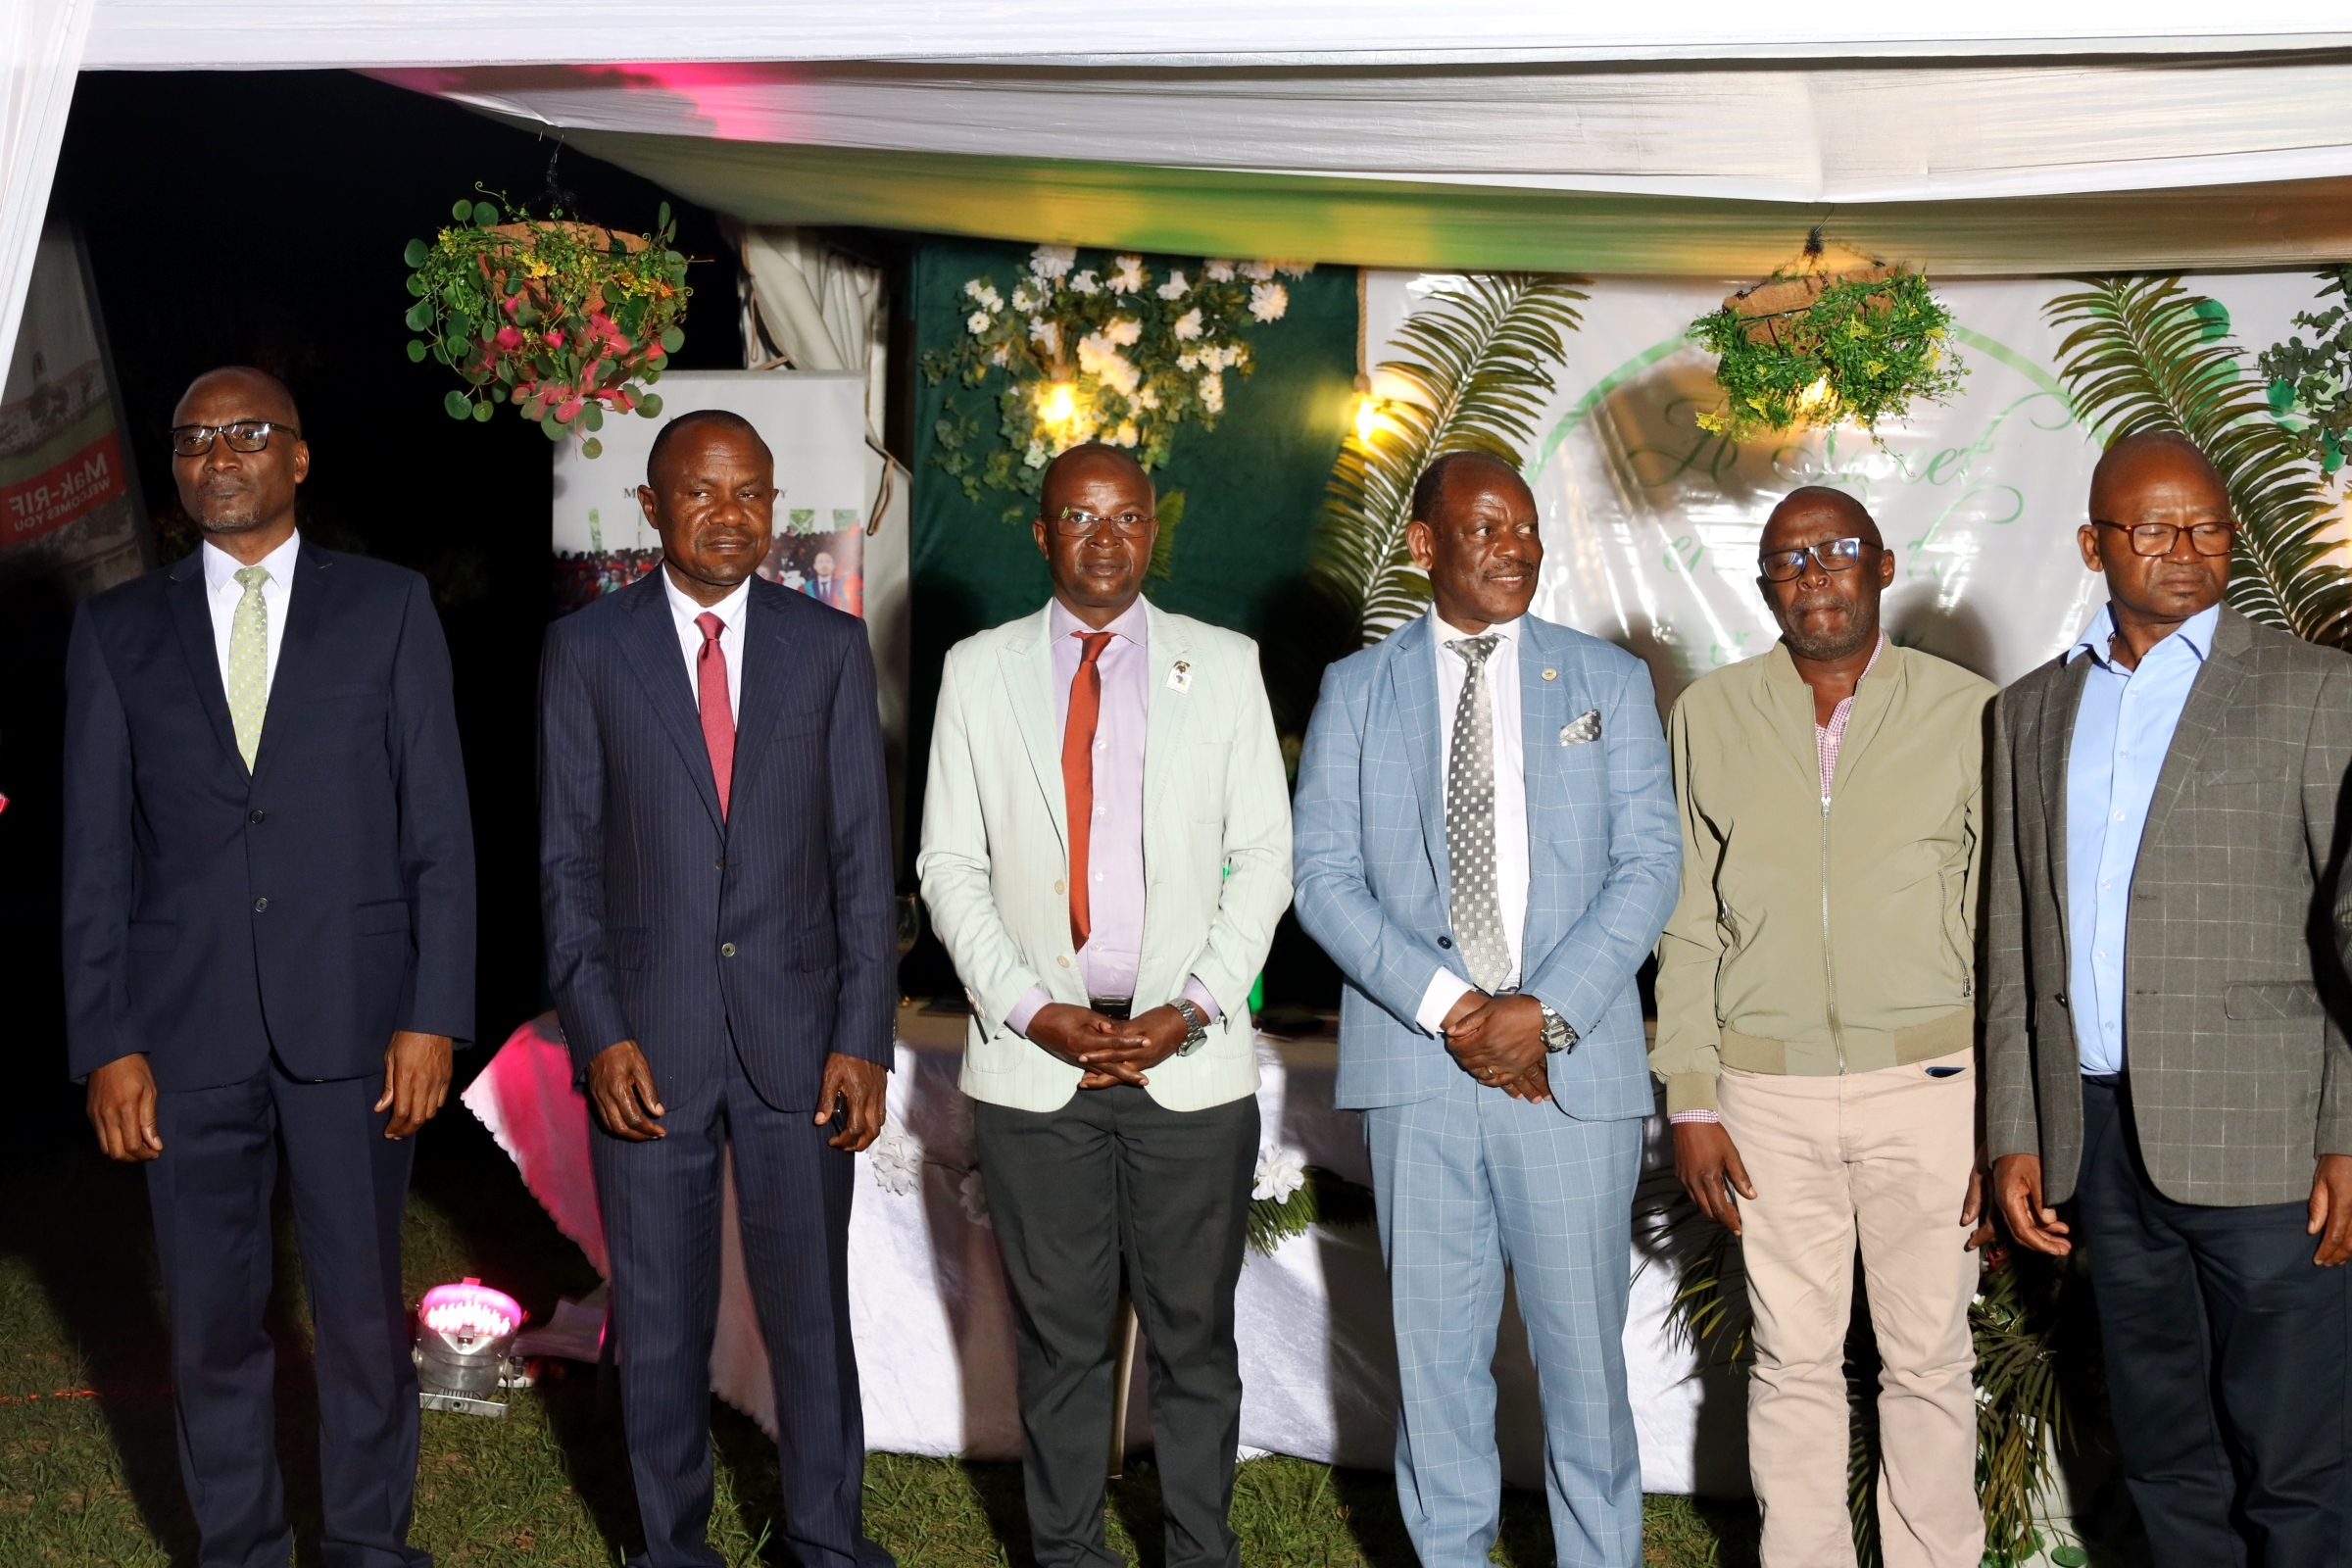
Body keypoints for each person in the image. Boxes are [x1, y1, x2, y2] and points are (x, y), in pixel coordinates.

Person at [63, 366, 474, 1568]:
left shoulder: (389, 608)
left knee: (356, 1319)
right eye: (195, 438)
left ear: (299, 457)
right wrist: (106, 1039)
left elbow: (439, 832)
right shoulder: (118, 629)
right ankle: (239, 1549)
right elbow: (93, 858)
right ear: (176, 464)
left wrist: (432, 1013)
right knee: (207, 1327)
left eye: (249, 433)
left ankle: (366, 1548)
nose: (219, 454)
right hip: (180, 1038)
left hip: (356, 1025)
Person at [1292, 450, 1679, 1568]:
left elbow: (1649, 867)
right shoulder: (1356, 691)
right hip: (1422, 1076)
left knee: (1582, 1366)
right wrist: (1457, 1007)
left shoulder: (1604, 680)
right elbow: (1322, 876)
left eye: (1528, 529)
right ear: (1424, 546)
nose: (1517, 548)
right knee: (1437, 1364)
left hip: (1568, 1075)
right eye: (1488, 528)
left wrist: (1541, 1008)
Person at [916, 443, 1290, 1568]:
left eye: (1127, 517)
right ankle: (1068, 1552)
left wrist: (1194, 1005)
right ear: (1042, 533)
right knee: (1062, 1341)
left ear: (1152, 530)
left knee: (1194, 1342)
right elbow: (948, 863)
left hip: (1190, 1058)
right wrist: (1032, 1009)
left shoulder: (1223, 664)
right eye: (1080, 517)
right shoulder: (977, 671)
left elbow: (1264, 857)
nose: (1106, 538)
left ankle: (1197, 1550)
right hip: (1041, 1064)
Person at [1986, 430, 2352, 1567]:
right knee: (2163, 1449)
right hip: (2099, 1137)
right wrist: (2015, 1129)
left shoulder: (2316, 689)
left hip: (2272, 1142)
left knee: (2298, 1459)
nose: (2186, 549)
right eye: (2153, 527)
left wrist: (2349, 1132)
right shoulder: (2028, 712)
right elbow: (2011, 934)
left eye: (2207, 526)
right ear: (2094, 542)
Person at [539, 409, 898, 1568]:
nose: (731, 514)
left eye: (751, 492)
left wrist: (863, 1037)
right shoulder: (588, 652)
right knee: (657, 1324)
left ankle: (826, 1542)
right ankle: (671, 1548)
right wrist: (598, 1032)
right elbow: (568, 865)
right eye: (702, 491)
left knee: (810, 1317)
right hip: (651, 1047)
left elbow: (861, 859)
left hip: (802, 1048)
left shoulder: (827, 647)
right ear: (650, 506)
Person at [1651, 487, 1993, 1568]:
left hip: (1932, 1087)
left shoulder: (1971, 710)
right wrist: (1694, 1095)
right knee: (1792, 1364)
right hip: (1764, 1095)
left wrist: (2008, 1109)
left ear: (1882, 566)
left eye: (1837, 549)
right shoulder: (1709, 715)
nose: (1814, 572)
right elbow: (1688, 920)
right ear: (1765, 587)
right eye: (1788, 559)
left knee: (1929, 1362)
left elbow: (2003, 924)